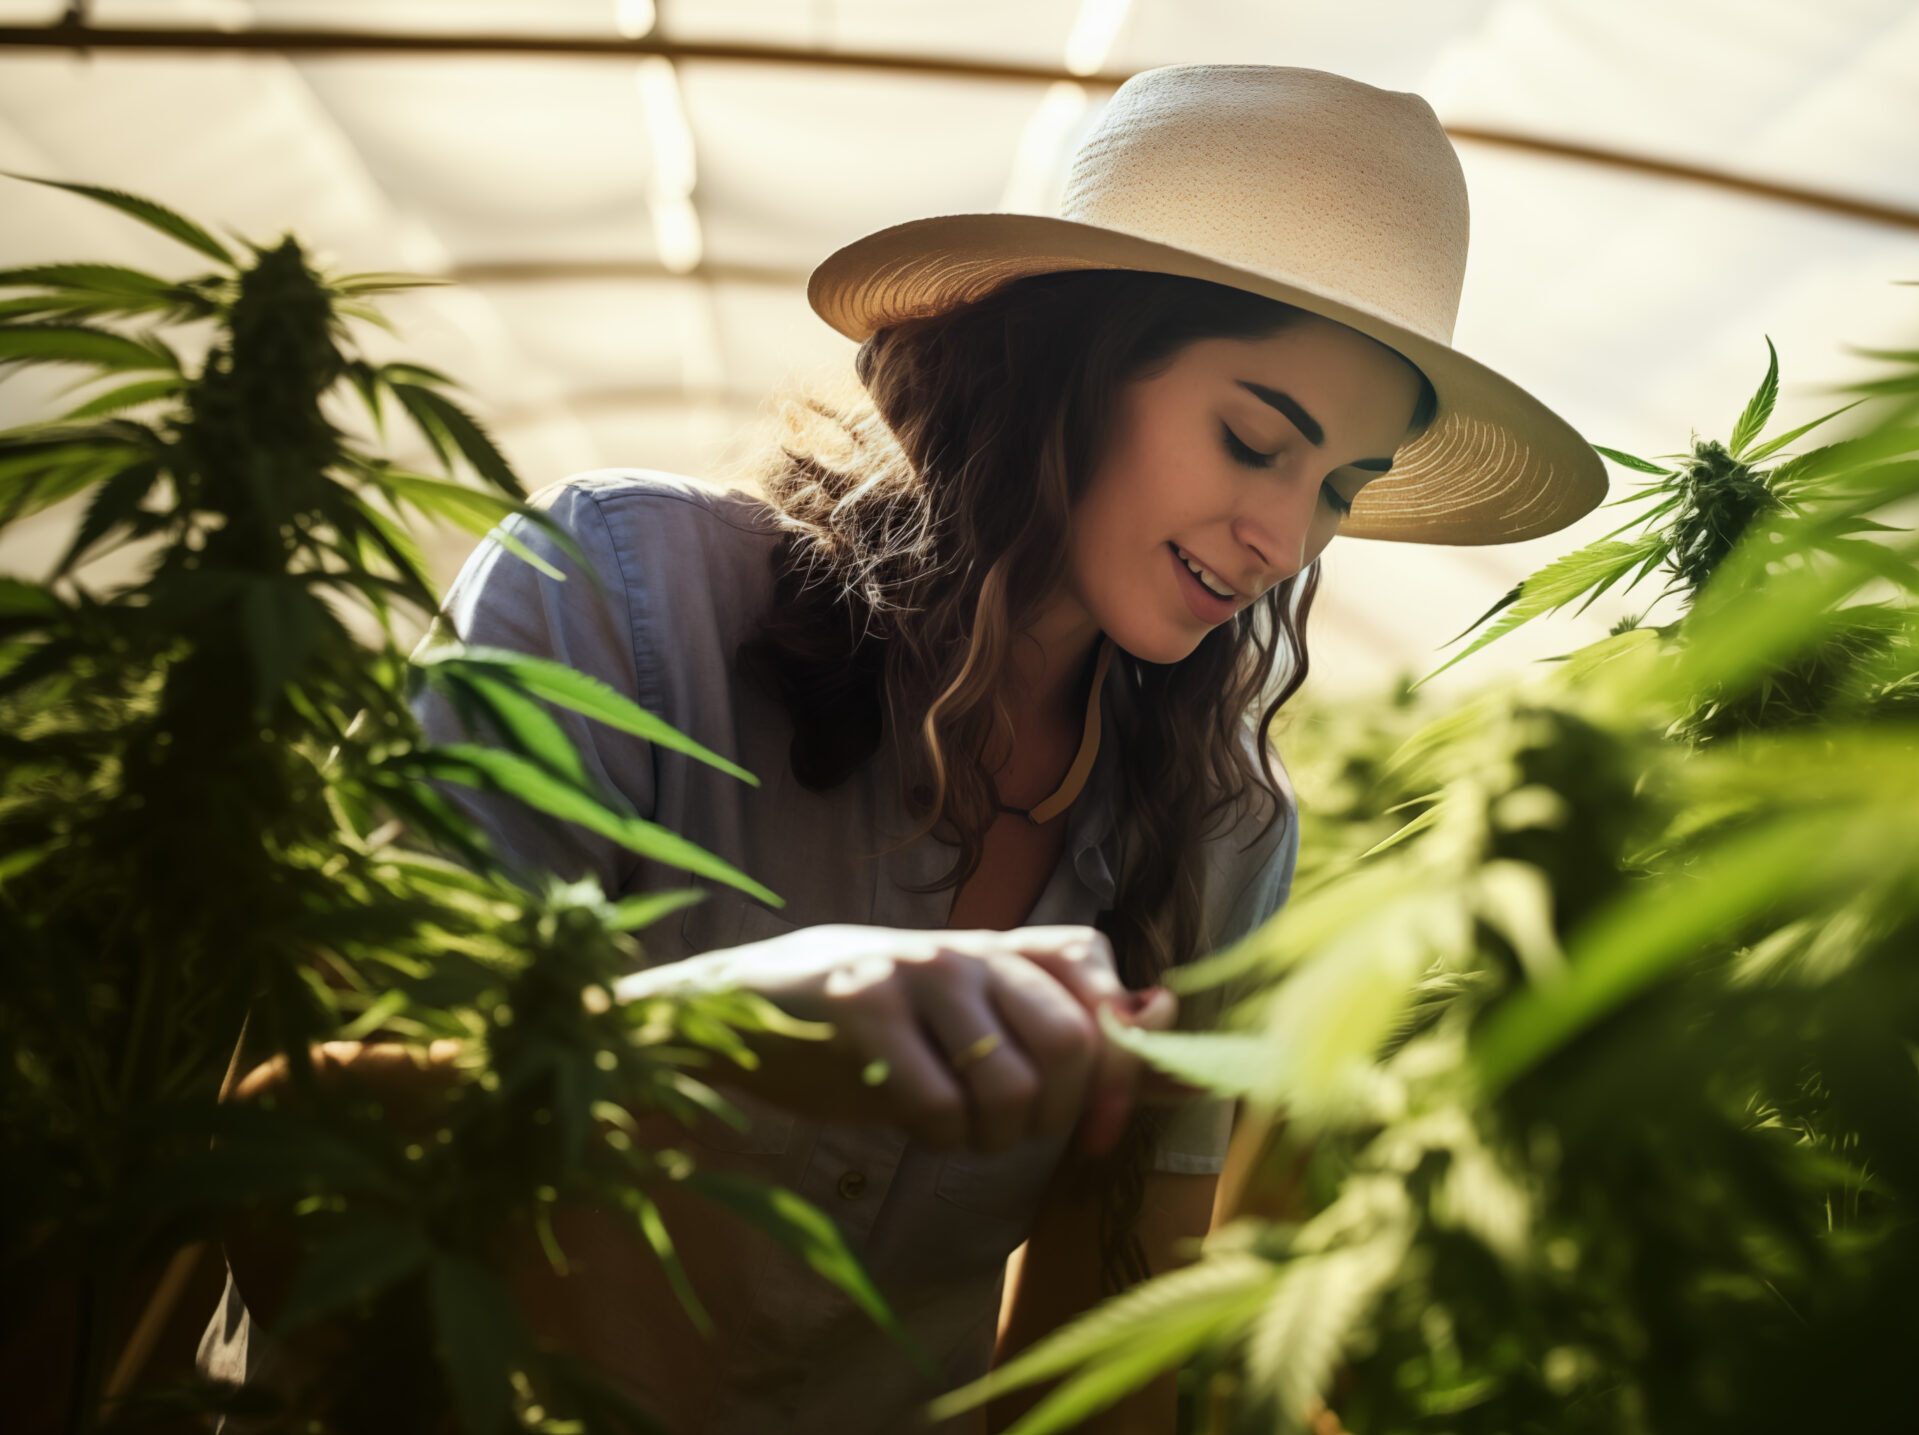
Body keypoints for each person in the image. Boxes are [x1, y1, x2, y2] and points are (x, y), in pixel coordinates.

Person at [200, 62, 1601, 1433]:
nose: (1288, 542)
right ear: (1066, 361)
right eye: (1252, 440)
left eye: (1338, 491)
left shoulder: (1223, 834)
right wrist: (724, 1039)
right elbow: (288, 1181)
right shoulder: (618, 600)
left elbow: (1097, 1359)